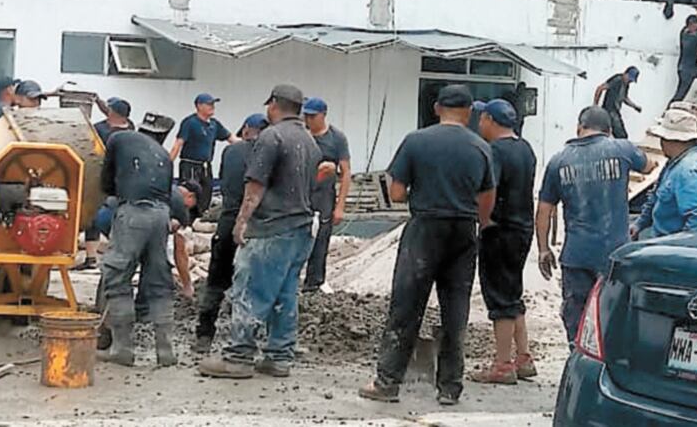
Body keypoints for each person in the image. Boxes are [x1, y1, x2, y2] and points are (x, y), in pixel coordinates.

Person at [359, 85, 495, 405]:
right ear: (469, 111)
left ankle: (388, 382)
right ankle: (449, 387)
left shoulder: (416, 141)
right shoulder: (480, 147)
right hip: (463, 230)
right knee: (455, 310)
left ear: (436, 108)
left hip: (425, 229)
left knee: (406, 307)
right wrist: (478, 222)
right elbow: (487, 198)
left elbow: (396, 193)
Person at [199, 85, 321, 379]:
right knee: (285, 294)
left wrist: (241, 222)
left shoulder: (271, 137)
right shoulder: (309, 141)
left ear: (274, 105)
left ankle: (238, 357)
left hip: (270, 228)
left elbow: (255, 186)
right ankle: (279, 357)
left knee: (251, 290)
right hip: (301, 229)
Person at [537, 107, 648, 345]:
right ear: (608, 130)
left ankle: (578, 358)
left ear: (579, 128)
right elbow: (648, 166)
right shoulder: (622, 149)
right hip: (615, 254)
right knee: (613, 316)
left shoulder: (558, 161)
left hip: (576, 256)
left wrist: (543, 249)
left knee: (576, 319)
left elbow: (544, 209)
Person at [470, 99, 538, 385]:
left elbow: (490, 190)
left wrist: (483, 220)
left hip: (500, 230)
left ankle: (502, 364)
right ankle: (523, 357)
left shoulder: (494, 152)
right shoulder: (526, 149)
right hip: (522, 228)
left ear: (489, 119)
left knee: (500, 297)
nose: (478, 123)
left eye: (481, 118)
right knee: (512, 291)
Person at [97, 130, 178, 367]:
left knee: (117, 277)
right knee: (159, 280)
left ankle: (122, 350)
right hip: (161, 215)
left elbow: (106, 183)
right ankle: (166, 352)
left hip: (133, 211)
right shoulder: (164, 154)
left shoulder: (118, 138)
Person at [194, 113, 269, 354]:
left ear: (246, 129)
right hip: (258, 225)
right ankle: (253, 339)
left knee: (216, 282)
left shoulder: (231, 152)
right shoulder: (271, 152)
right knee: (259, 284)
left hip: (228, 222)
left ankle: (204, 335)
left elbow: (227, 181)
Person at [631, 107, 697, 238]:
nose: (661, 143)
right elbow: (656, 197)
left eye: (663, 138)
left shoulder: (688, 171)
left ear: (672, 140)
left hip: (671, 244)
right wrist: (639, 224)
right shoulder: (678, 162)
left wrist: (679, 244)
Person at [77, 97, 137, 271]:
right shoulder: (130, 129)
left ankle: (101, 254)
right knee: (96, 214)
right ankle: (93, 256)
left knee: (104, 214)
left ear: (112, 111)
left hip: (111, 177)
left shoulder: (101, 129)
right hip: (112, 177)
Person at [302, 97, 351, 293]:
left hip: (324, 196)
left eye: (312, 116)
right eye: (306, 116)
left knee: (321, 237)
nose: (308, 120)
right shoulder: (302, 136)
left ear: (323, 115)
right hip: (301, 192)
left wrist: (340, 206)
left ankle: (314, 281)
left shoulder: (336, 138)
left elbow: (346, 172)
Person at [170, 93, 238, 222]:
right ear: (199, 106)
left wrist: (250, 144)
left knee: (205, 195)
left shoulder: (214, 124)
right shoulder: (190, 122)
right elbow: (178, 144)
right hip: (190, 165)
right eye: (209, 104)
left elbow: (231, 138)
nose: (212, 107)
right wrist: (168, 164)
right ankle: (185, 221)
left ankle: (201, 220)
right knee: (189, 194)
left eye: (213, 104)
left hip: (206, 166)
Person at [593, 66, 642, 140]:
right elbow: (600, 88)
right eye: (629, 79)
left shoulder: (626, 85)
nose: (629, 82)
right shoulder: (617, 80)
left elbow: (624, 98)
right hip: (609, 110)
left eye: (631, 81)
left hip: (615, 111)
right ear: (625, 74)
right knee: (621, 136)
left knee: (618, 136)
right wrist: (595, 105)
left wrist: (635, 106)